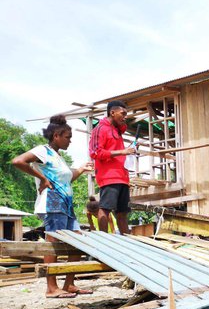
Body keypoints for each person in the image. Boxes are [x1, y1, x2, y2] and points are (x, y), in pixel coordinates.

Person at [11, 115, 94, 298]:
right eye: (67, 137)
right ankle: (51, 287)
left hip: (66, 205)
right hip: (52, 203)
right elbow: (18, 161)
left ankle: (69, 284)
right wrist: (42, 178)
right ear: (56, 135)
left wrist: (80, 169)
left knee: (79, 242)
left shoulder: (58, 157)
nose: (70, 141)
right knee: (53, 244)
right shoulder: (43, 151)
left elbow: (66, 179)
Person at [89, 100, 135, 234]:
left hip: (122, 177)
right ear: (112, 112)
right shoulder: (100, 128)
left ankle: (127, 244)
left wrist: (127, 151)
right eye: (123, 113)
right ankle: (103, 241)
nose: (125, 116)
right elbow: (95, 152)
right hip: (109, 177)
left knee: (122, 213)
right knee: (105, 209)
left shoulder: (116, 130)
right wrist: (122, 151)